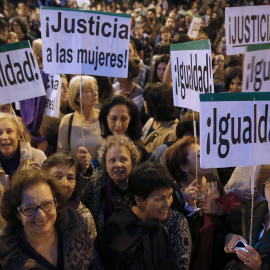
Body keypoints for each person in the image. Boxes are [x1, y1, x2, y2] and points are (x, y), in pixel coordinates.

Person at [0, 169, 102, 269]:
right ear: (17, 213)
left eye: (47, 204)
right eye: (29, 209)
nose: (41, 215)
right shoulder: (7, 255)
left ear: (56, 203)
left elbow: (95, 264)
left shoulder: (75, 225)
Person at [100, 162, 191, 270]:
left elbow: (179, 264)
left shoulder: (169, 223)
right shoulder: (118, 228)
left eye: (170, 195)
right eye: (159, 199)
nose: (168, 203)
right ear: (139, 199)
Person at [77, 135, 141, 235]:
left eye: (123, 159)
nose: (118, 165)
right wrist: (83, 171)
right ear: (105, 165)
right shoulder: (97, 182)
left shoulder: (141, 186)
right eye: (112, 160)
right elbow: (79, 198)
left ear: (132, 163)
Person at [41, 152, 97, 240]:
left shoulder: (83, 217)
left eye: (70, 178)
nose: (64, 184)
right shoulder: (35, 210)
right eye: (57, 177)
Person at [223, 164, 270, 269]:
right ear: (262, 186)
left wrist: (260, 266)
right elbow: (219, 239)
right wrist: (228, 237)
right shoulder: (247, 210)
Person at [57, 75, 103, 167]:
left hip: (102, 176)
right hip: (76, 174)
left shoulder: (105, 117)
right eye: (89, 91)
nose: (95, 93)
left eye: (95, 89)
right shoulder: (67, 120)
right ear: (77, 98)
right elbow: (61, 154)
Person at [99, 95, 148, 162]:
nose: (118, 125)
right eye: (113, 118)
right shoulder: (103, 141)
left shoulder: (138, 150)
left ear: (130, 119)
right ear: (106, 118)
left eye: (124, 119)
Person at [142, 83, 178, 154]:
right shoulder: (151, 120)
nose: (144, 104)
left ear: (154, 105)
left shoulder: (173, 132)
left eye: (145, 101)